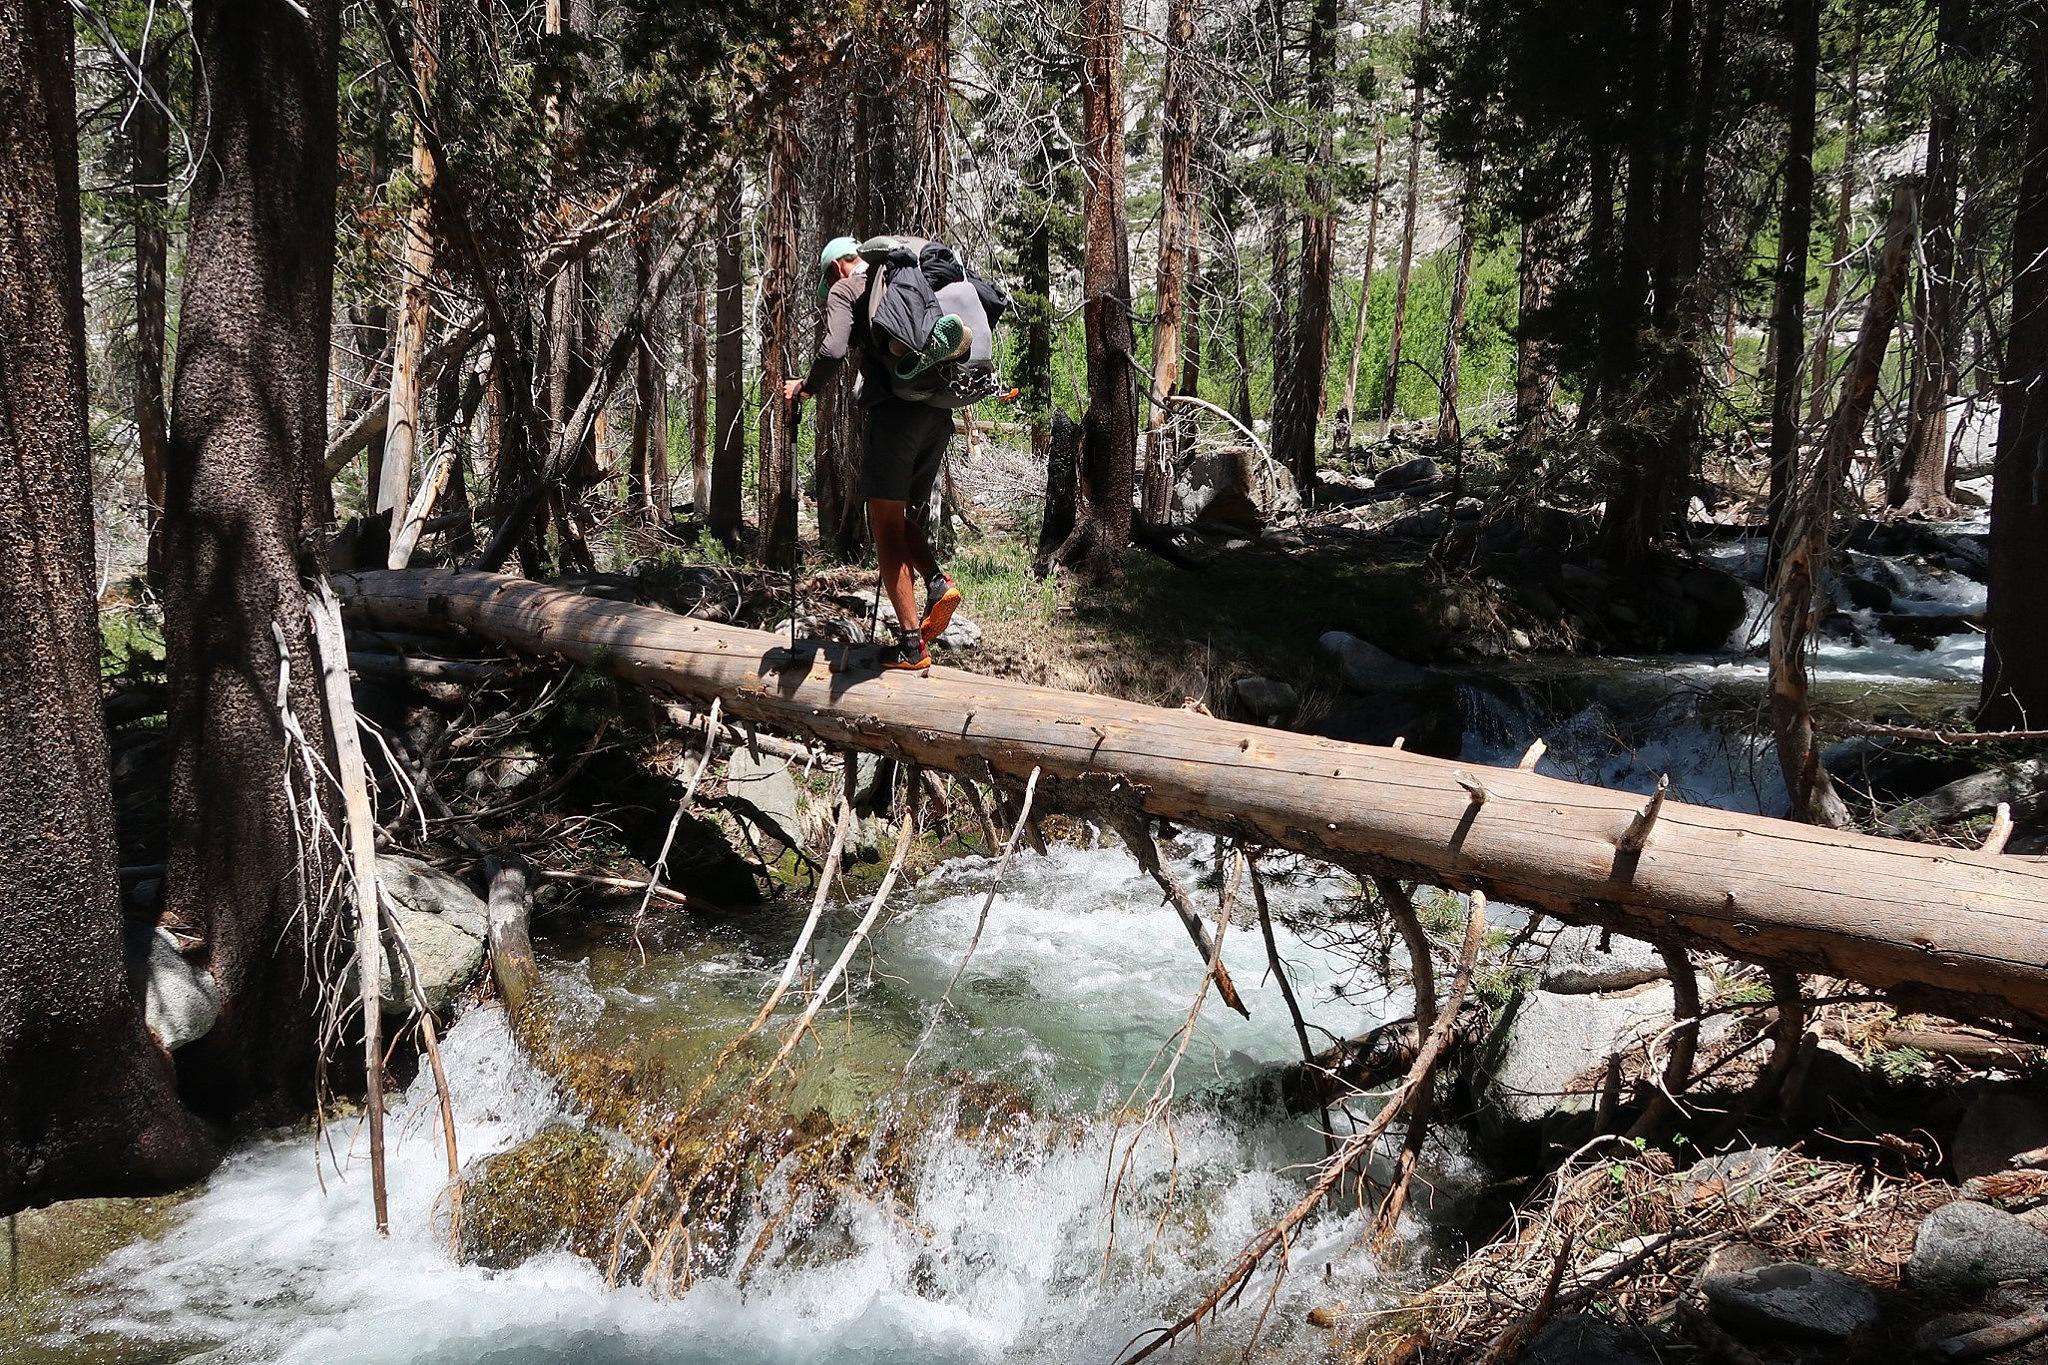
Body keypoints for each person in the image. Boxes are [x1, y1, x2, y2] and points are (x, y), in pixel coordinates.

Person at [783, 235, 961, 672]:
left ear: (836, 268)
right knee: (898, 518)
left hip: (894, 414)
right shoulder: (908, 276)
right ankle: (938, 584)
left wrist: (805, 388)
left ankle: (910, 647)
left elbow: (832, 349)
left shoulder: (848, 288)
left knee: (882, 527)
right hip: (937, 412)